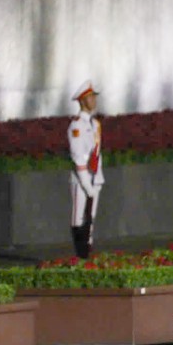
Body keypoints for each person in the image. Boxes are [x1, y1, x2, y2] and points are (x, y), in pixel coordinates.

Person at [67, 81, 104, 259]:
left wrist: (96, 179)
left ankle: (87, 250)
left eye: (94, 96)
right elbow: (77, 155)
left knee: (91, 215)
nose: (94, 100)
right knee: (79, 216)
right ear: (82, 100)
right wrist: (85, 183)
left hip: (94, 176)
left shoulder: (95, 123)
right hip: (81, 178)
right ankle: (80, 253)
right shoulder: (77, 126)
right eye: (90, 97)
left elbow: (95, 153)